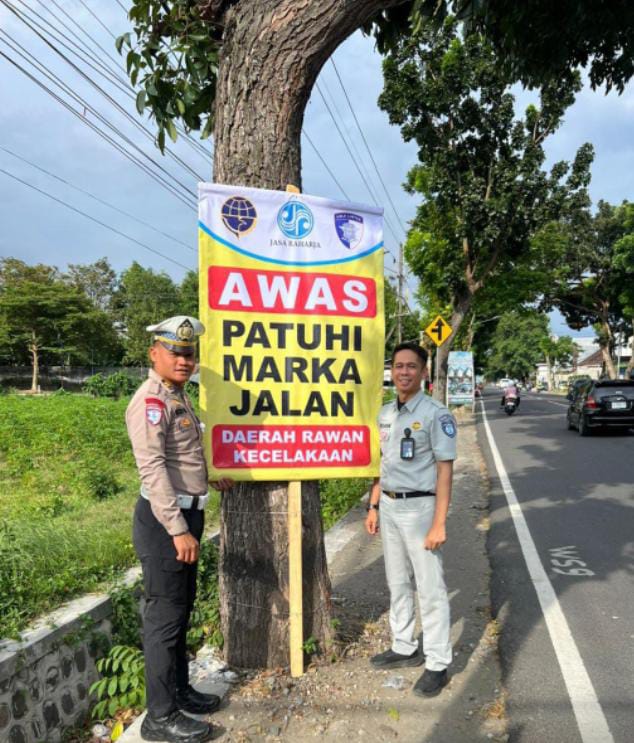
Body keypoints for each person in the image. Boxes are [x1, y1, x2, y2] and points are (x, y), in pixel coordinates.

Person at [126, 316, 233, 742]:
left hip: (187, 516)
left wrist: (208, 478)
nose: (184, 360)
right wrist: (177, 528)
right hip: (164, 523)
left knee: (181, 611)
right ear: (154, 353)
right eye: (175, 352)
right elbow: (152, 469)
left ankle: (180, 692)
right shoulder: (151, 401)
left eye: (189, 353)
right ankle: (159, 718)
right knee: (164, 620)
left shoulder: (177, 396)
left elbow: (181, 457)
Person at [366, 341, 457, 697]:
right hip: (389, 506)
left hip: (421, 509)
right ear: (391, 370)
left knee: (430, 588)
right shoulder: (385, 413)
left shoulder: (436, 414)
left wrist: (439, 523)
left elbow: (445, 471)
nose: (403, 372)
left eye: (411, 366)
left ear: (423, 372)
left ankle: (438, 662)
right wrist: (373, 505)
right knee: (398, 582)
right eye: (398, 366)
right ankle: (404, 646)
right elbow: (381, 463)